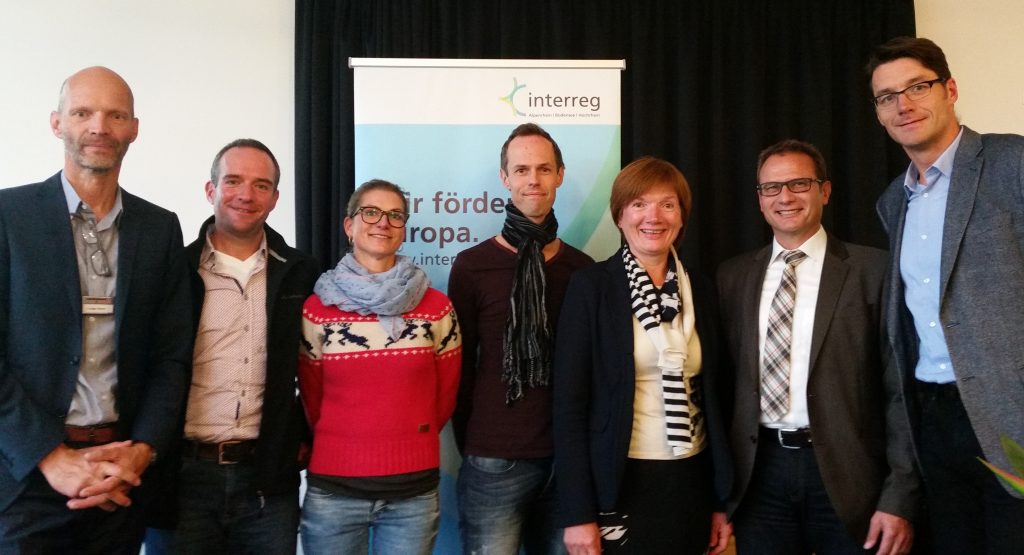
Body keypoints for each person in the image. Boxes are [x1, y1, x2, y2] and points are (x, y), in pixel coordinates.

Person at [0, 66, 192, 552]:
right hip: (26, 479)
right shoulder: (8, 218)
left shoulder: (159, 229)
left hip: (119, 478)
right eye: (83, 113)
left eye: (115, 115)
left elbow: (172, 357)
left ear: (134, 128)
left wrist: (140, 453)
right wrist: (50, 458)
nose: (99, 127)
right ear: (56, 123)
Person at [716, 140, 918, 555]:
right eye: (771, 188)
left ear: (824, 191)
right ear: (759, 199)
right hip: (759, 477)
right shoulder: (732, 277)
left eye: (799, 184)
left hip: (851, 477)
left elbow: (901, 392)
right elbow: (720, 387)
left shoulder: (873, 271)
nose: (785, 197)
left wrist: (900, 496)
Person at [868, 36, 1024, 553]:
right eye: (887, 97)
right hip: (933, 421)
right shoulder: (894, 200)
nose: (903, 104)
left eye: (917, 86)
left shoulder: (1013, 162)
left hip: (1011, 420)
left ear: (950, 89)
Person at [143, 139, 319, 553]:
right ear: (210, 190)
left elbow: (318, 364)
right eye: (233, 181)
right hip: (183, 476)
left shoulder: (301, 272)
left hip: (267, 480)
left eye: (261, 185)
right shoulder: (174, 270)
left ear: (275, 198)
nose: (246, 195)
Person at [554, 156, 732, 555]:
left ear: (682, 218)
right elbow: (568, 408)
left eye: (667, 204)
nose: (653, 216)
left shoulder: (701, 289)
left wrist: (721, 501)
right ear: (620, 216)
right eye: (639, 204)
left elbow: (718, 394)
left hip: (692, 478)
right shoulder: (592, 288)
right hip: (619, 481)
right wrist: (577, 513)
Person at [448, 122, 593, 554]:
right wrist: (475, 441)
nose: (534, 180)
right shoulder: (472, 266)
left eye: (544, 169)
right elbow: (460, 365)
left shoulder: (583, 271)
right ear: (505, 178)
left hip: (567, 460)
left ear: (560, 175)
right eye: (523, 169)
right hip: (494, 458)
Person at [298, 179, 461, 554]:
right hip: (333, 493)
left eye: (394, 215)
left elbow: (444, 397)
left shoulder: (437, 308)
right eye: (370, 212)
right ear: (349, 225)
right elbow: (312, 399)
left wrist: (406, 436)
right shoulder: (317, 310)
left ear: (404, 229)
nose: (382, 223)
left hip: (412, 495)